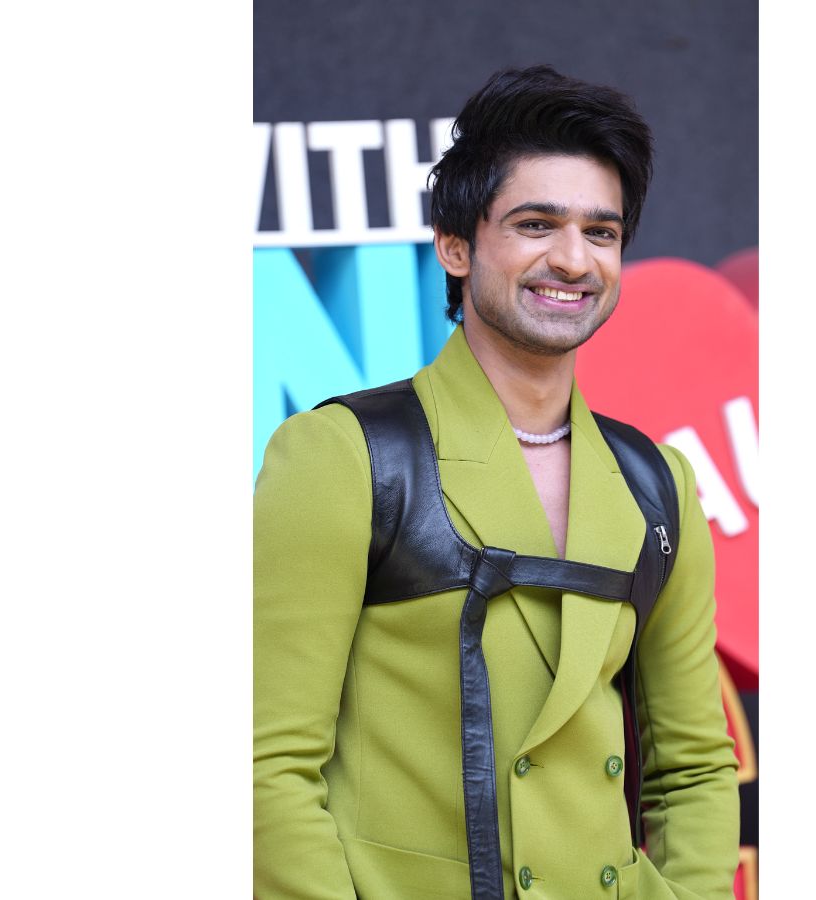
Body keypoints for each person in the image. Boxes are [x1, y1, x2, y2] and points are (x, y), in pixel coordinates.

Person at [254, 65, 739, 899]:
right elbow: (265, 763)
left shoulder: (657, 484)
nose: (572, 259)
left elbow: (694, 766)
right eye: (536, 224)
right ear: (455, 245)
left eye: (600, 231)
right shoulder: (342, 455)